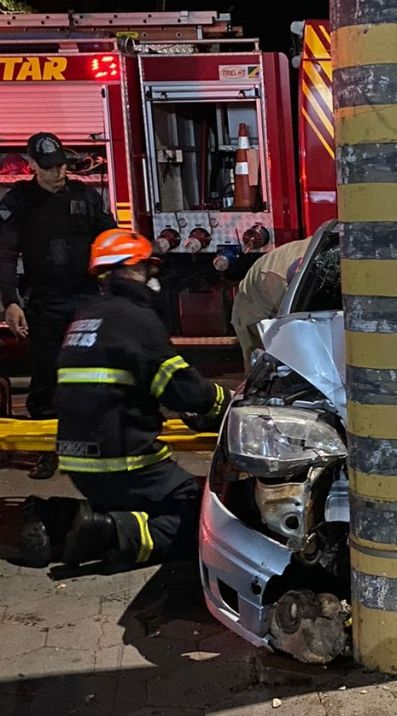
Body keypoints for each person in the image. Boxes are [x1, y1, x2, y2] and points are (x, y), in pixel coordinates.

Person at [20, 229, 229, 568]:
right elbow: (184, 390)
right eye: (148, 268)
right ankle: (114, 535)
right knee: (201, 515)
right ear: (130, 269)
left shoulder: (84, 319)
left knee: (129, 501)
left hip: (77, 462)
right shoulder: (137, 319)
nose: (153, 277)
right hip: (125, 463)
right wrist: (224, 400)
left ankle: (56, 518)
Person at [0, 132, 116, 479]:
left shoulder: (86, 196)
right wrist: (10, 302)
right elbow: (4, 254)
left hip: (86, 298)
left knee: (96, 375)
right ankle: (47, 451)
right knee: (47, 380)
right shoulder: (19, 202)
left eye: (62, 165)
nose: (58, 173)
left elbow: (111, 240)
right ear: (31, 165)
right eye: (48, 167)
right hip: (46, 302)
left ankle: (95, 447)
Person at [230, 237, 311, 368]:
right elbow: (293, 324)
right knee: (262, 369)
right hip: (254, 310)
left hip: (276, 296)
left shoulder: (329, 252)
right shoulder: (278, 280)